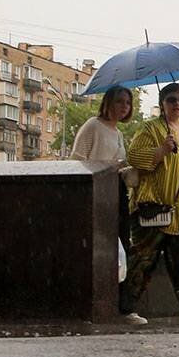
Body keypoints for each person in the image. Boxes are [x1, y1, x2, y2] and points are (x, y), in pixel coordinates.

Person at [120, 83, 179, 326]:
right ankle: (124, 309)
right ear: (162, 103)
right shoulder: (150, 129)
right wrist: (161, 150)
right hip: (154, 209)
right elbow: (135, 158)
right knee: (143, 260)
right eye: (172, 100)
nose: (177, 105)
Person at [71, 86, 134, 255]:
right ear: (108, 103)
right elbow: (77, 158)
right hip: (96, 189)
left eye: (128, 103)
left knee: (120, 240)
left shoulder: (118, 133)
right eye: (119, 101)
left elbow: (117, 165)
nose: (124, 106)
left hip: (116, 191)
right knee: (100, 241)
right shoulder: (93, 125)